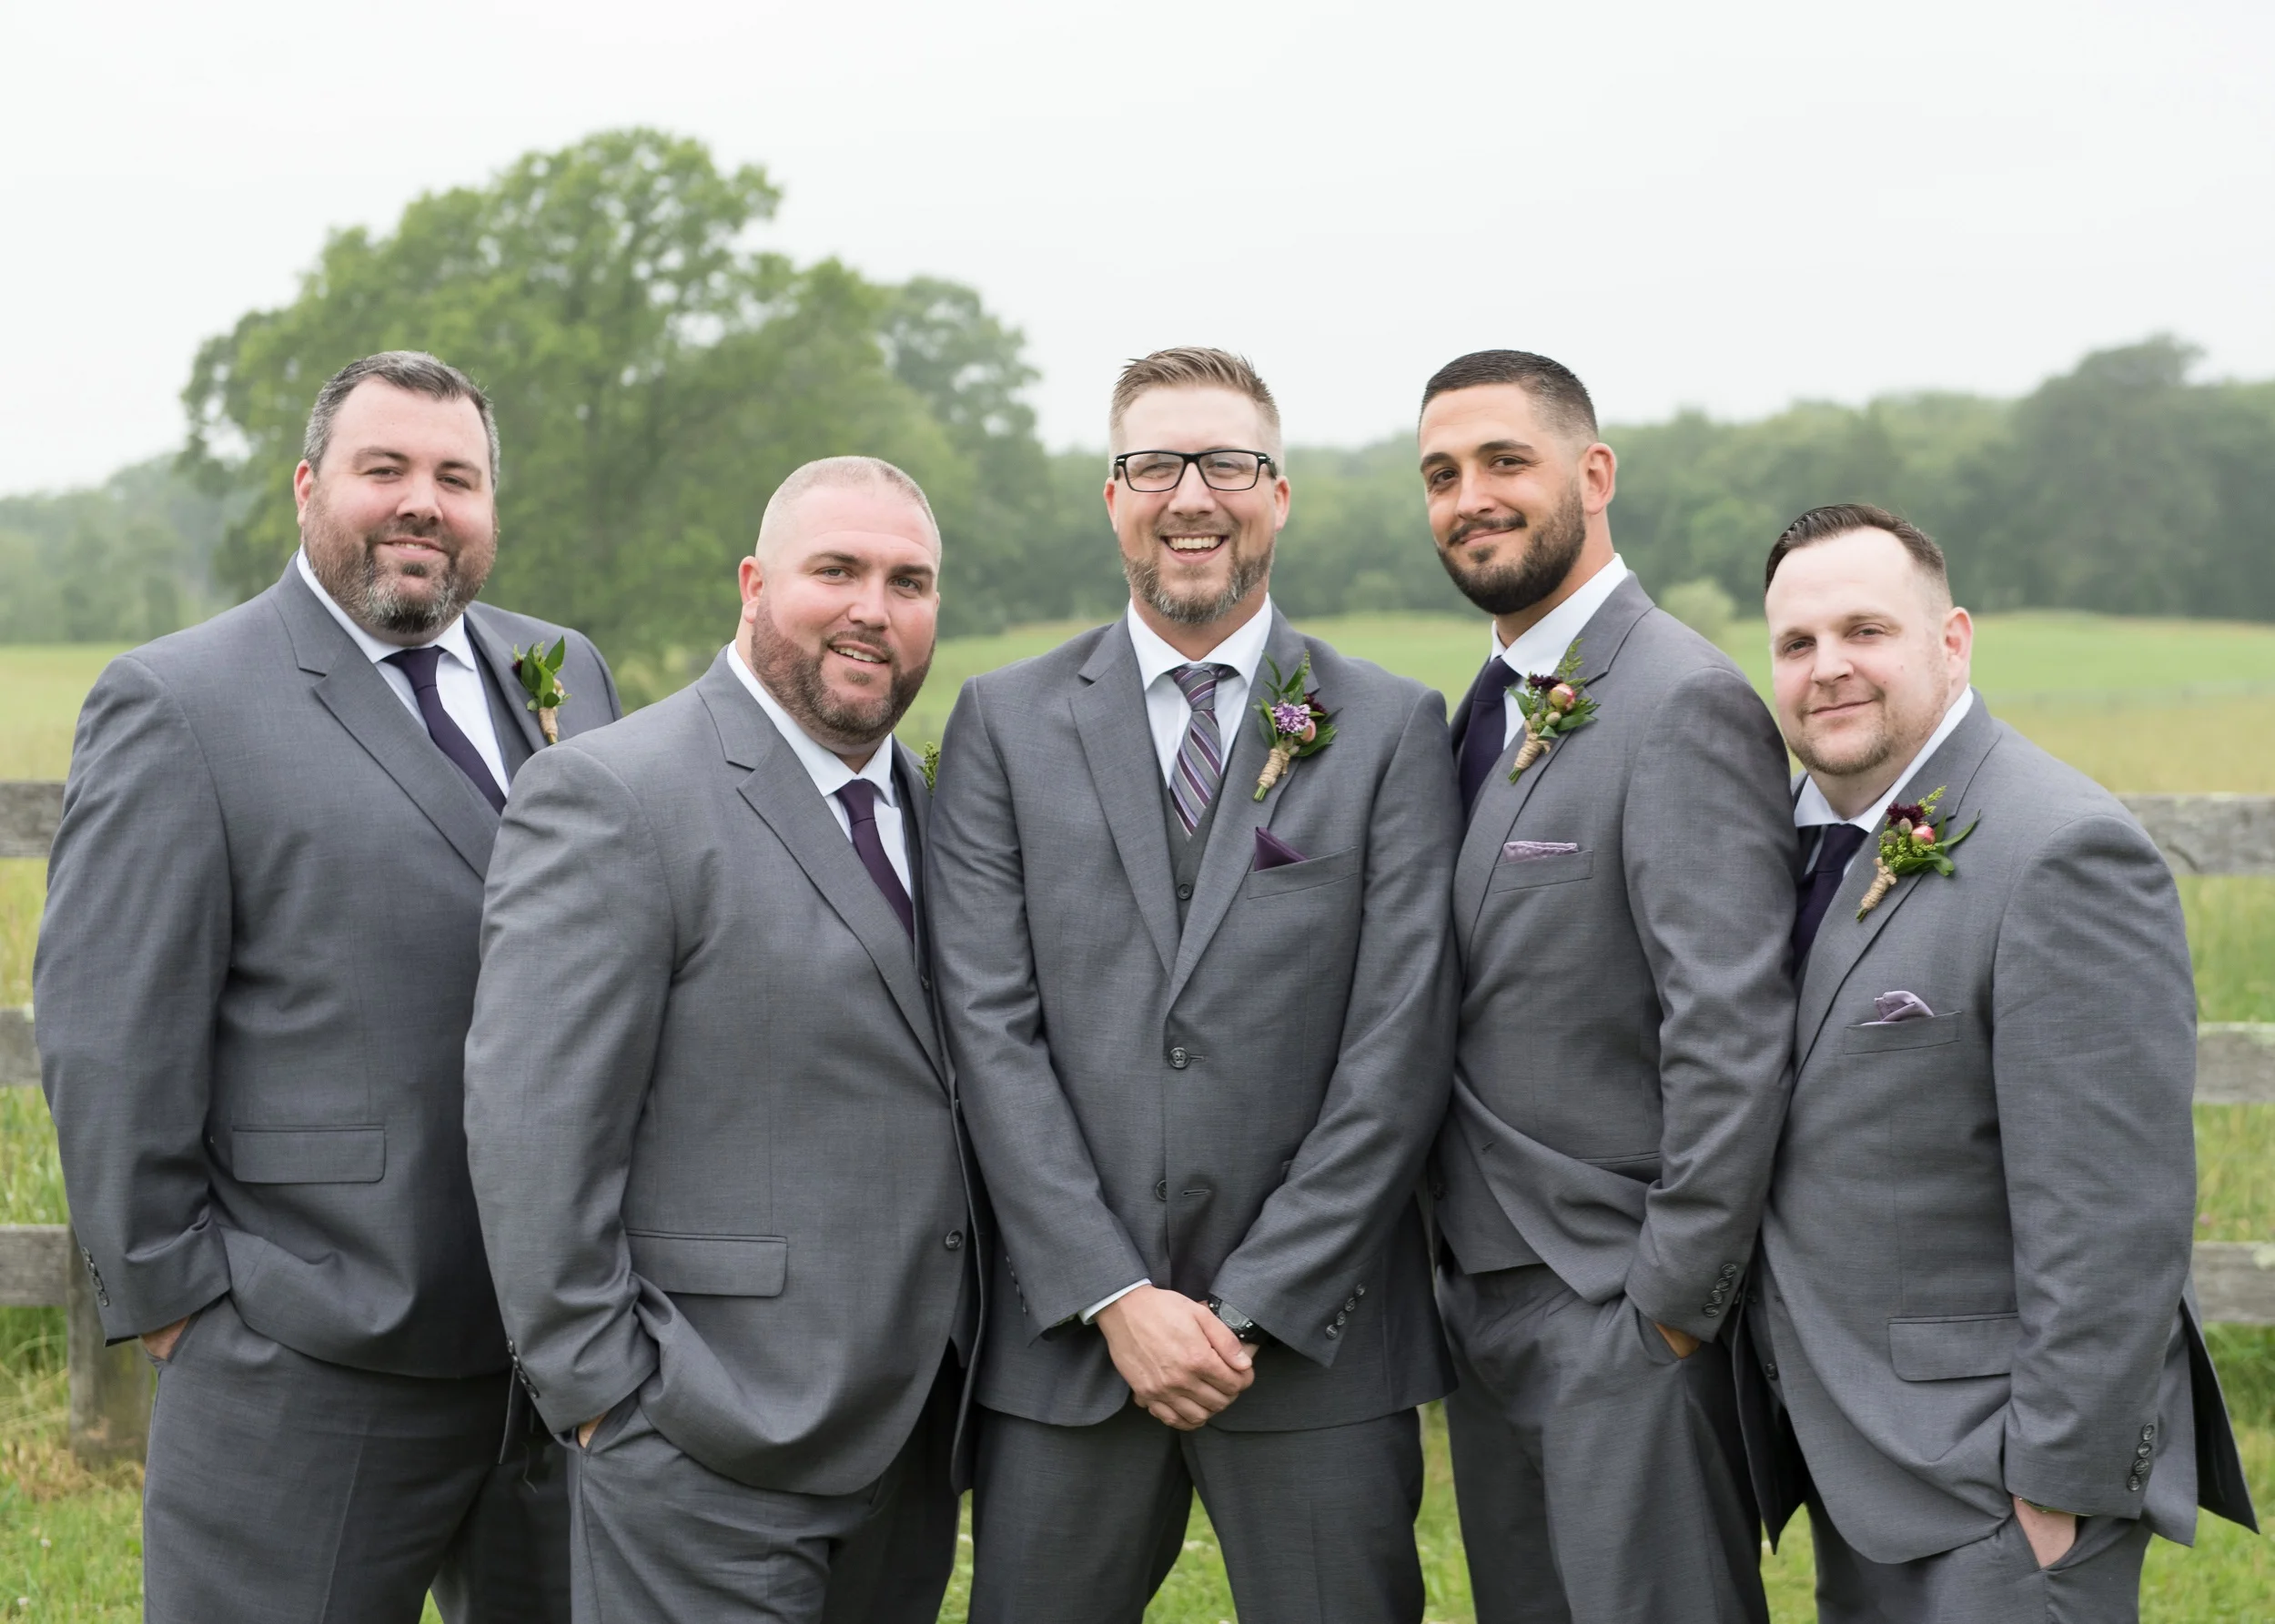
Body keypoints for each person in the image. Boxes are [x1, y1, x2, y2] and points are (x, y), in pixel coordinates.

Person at [35, 350, 620, 1622]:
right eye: (385, 469)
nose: (423, 501)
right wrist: (178, 1300)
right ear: (310, 487)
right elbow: (108, 1031)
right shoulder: (180, 703)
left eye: (455, 477)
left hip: (556, 1366)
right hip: (304, 1359)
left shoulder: (561, 669)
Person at [929, 348, 1461, 1622]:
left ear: (1280, 495)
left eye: (1229, 463)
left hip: (1319, 1345)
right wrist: (1114, 1295)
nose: (1192, 496)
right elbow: (986, 1031)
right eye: (1154, 464)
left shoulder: (1388, 726)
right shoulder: (1002, 721)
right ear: (1112, 496)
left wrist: (1260, 1301)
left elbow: (1399, 1044)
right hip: (1067, 1344)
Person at [462, 456, 979, 1623]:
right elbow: (534, 1125)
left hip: (909, 1441)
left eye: (909, 582)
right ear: (752, 583)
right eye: (834, 571)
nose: (872, 609)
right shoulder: (612, 794)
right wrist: (606, 1398)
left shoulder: (938, 811)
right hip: (701, 1440)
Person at [1741, 503, 2258, 1622]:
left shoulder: (2061, 849)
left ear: (1952, 639)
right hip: (1855, 1453)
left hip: (1997, 1482)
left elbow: (2114, 1213)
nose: (1828, 669)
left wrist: (2055, 1488)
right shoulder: (1783, 848)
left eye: (1864, 631)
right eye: (1796, 644)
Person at [1420, 349, 1794, 1623]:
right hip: (1481, 1295)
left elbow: (1731, 1027)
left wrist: (1670, 1310)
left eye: (1503, 461)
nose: (1470, 495)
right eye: (1441, 474)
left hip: (1616, 1307)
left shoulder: (1680, 699)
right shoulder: (1484, 707)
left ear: (1593, 472)